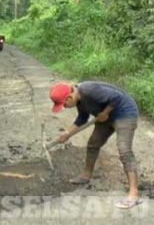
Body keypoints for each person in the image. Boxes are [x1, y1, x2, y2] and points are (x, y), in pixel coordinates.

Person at [49, 81, 142, 209]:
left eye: (63, 104)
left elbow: (117, 97)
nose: (64, 107)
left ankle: (134, 194)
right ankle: (86, 175)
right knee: (93, 144)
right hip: (105, 116)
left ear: (70, 97)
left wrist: (105, 112)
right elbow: (82, 119)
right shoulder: (79, 100)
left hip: (125, 112)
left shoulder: (89, 90)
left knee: (124, 149)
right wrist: (67, 134)